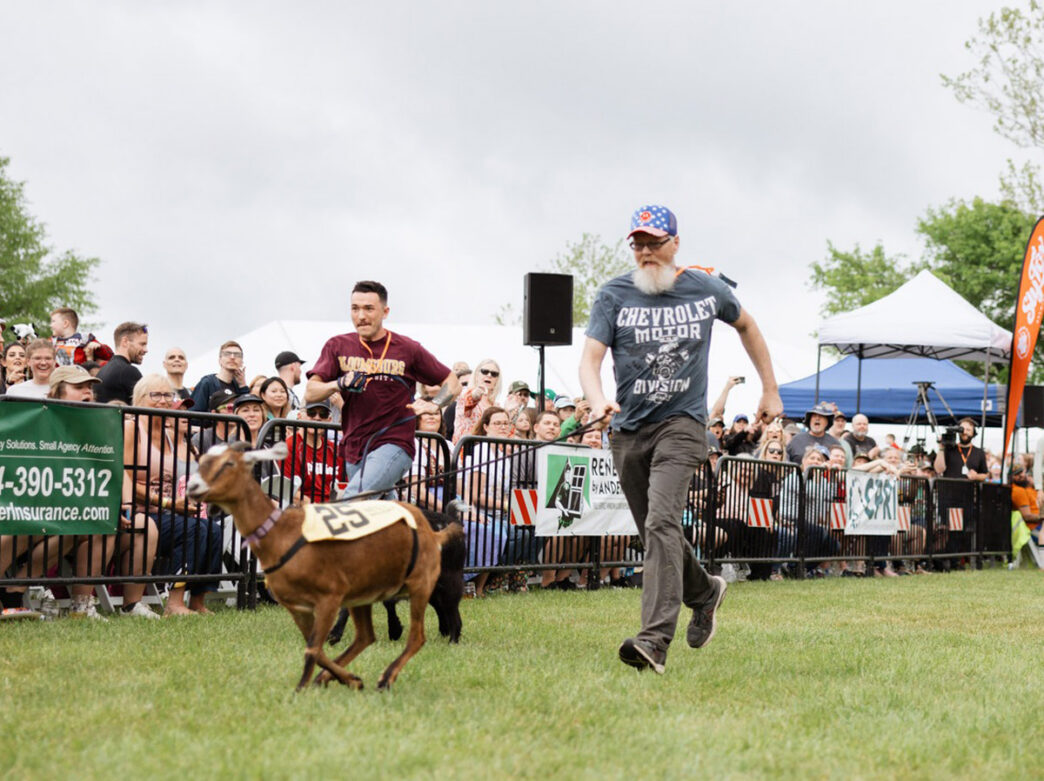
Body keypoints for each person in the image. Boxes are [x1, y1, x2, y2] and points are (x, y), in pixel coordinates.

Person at [580, 203, 782, 674]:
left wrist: (769, 388)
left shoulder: (705, 289)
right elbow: (590, 360)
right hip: (628, 429)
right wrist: (596, 400)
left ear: (675, 244)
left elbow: (747, 325)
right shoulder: (613, 295)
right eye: (639, 245)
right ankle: (705, 591)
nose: (646, 252)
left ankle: (654, 641)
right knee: (655, 529)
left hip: (683, 426)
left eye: (655, 243)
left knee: (660, 525)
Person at [305, 280, 460, 498]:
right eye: (355, 308)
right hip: (355, 446)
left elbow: (452, 382)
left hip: (394, 443)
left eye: (369, 309)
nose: (361, 316)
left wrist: (434, 404)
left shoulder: (407, 349)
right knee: (376, 518)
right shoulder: (337, 345)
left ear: (385, 312)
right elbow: (310, 392)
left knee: (352, 501)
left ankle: (322, 532)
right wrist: (338, 383)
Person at [125, 375, 222, 615]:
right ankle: (174, 603)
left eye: (167, 395)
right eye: (155, 395)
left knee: (212, 529)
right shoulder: (132, 428)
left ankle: (197, 601)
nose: (163, 401)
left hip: (167, 511)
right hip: (137, 512)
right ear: (139, 399)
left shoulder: (169, 436)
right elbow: (124, 478)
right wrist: (168, 503)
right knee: (195, 530)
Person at [95, 322, 149, 404]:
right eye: (142, 344)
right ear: (125, 341)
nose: (146, 350)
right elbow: (147, 406)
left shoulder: (101, 371)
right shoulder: (128, 372)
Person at [189, 340, 249, 412]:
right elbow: (194, 413)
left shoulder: (240, 386)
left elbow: (246, 412)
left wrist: (243, 386)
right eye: (227, 354)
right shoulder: (207, 382)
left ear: (242, 362)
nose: (232, 357)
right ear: (220, 360)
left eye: (237, 355)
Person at [452, 358, 501, 444]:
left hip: (489, 451)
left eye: (494, 374)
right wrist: (474, 396)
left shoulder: (496, 406)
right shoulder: (465, 394)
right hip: (467, 449)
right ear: (477, 375)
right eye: (485, 371)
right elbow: (468, 401)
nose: (489, 375)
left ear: (497, 380)